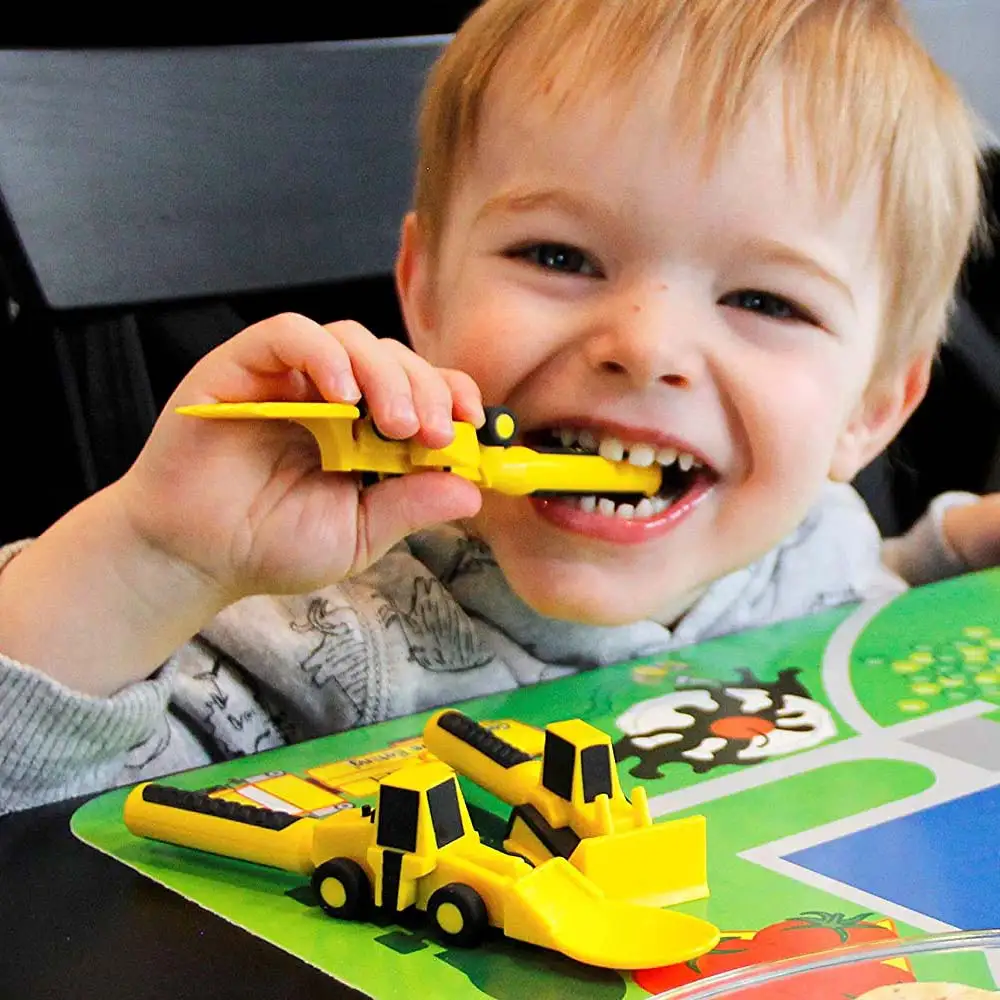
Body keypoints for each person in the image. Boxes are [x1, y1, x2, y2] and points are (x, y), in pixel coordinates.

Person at [0, 0, 994, 815]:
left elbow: (833, 602)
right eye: (558, 256)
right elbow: (33, 795)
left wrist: (945, 559)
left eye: (764, 301)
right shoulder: (307, 631)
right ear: (424, 292)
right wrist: (154, 558)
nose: (643, 345)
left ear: (870, 409)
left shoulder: (808, 536)